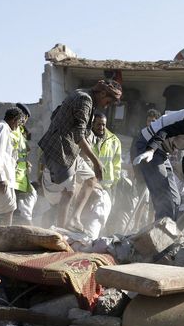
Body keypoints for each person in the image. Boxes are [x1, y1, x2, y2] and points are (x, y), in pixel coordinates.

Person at [38, 79, 122, 228]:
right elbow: (79, 135)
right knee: (68, 193)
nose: (107, 106)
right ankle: (62, 232)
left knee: (90, 179)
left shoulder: (84, 96)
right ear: (102, 93)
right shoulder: (85, 99)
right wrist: (97, 162)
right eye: (108, 101)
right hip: (60, 150)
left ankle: (74, 218)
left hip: (71, 151)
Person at [13, 102, 37, 224]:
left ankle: (23, 220)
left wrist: (26, 162)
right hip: (14, 173)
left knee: (25, 196)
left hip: (21, 174)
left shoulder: (21, 130)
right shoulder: (12, 130)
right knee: (27, 196)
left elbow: (22, 152)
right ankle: (25, 221)